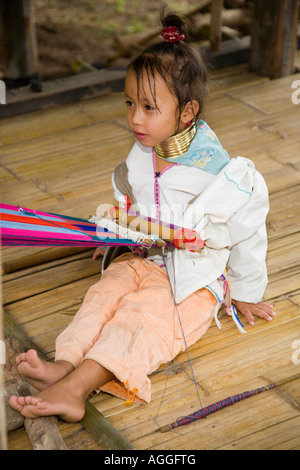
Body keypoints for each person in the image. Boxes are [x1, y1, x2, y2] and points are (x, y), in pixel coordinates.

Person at [9, 11, 275, 422]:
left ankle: (77, 389)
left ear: (187, 113)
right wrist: (115, 236)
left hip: (192, 280)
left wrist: (245, 292)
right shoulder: (141, 153)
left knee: (138, 319)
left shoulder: (223, 174)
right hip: (144, 259)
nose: (135, 118)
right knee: (102, 296)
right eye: (130, 104)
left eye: (149, 107)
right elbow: (127, 200)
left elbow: (248, 229)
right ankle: (65, 363)